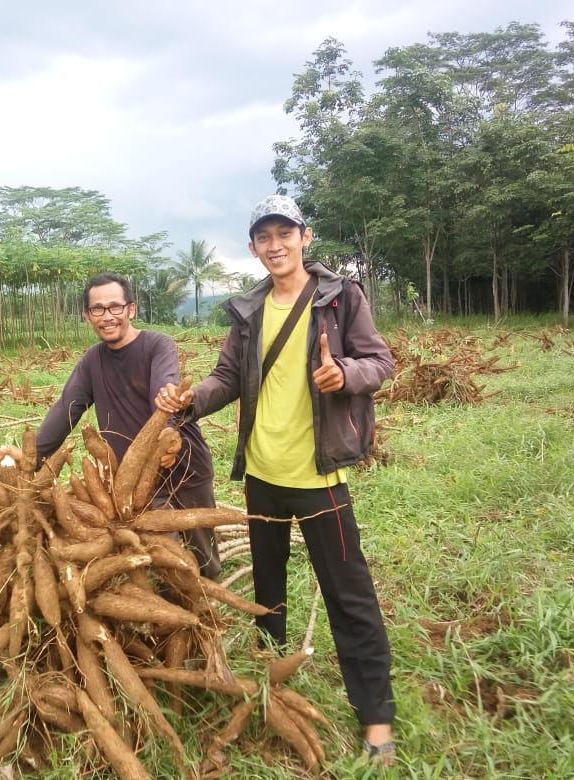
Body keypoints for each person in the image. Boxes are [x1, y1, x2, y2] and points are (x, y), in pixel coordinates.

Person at [155, 195, 396, 763]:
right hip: (261, 475)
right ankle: (271, 684)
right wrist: (191, 401)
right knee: (268, 594)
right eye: (264, 237)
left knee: (349, 595)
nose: (275, 245)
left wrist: (346, 373)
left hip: (319, 479)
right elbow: (226, 377)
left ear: (304, 237)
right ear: (253, 247)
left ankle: (377, 720)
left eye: (284, 233)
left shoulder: (341, 297)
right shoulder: (248, 310)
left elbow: (380, 362)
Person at [0, 271, 220, 580]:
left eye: (115, 307)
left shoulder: (158, 344)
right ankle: (179, 600)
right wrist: (34, 457)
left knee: (202, 553)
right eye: (98, 309)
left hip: (183, 464)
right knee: (167, 559)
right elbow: (66, 410)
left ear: (131, 309)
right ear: (86, 315)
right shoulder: (93, 361)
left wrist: (168, 434)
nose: (107, 316)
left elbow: (165, 390)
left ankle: (207, 606)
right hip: (136, 481)